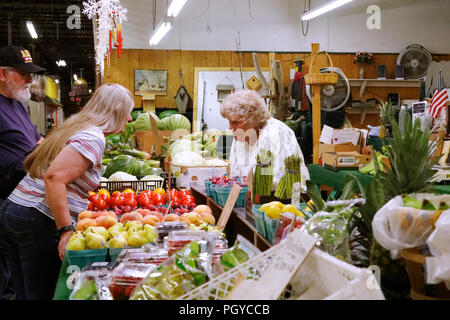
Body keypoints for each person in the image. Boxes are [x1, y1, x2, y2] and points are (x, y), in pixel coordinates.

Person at [0, 83, 134, 300]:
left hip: (16, 211)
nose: (129, 119)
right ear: (116, 111)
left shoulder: (75, 127)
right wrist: (65, 229)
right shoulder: (93, 136)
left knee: (24, 293)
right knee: (41, 293)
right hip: (36, 219)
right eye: (128, 112)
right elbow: (54, 178)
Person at [0, 45, 46, 300]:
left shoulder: (17, 104)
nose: (31, 79)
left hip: (22, 202)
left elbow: (38, 141)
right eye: (23, 73)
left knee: (17, 283)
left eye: (32, 74)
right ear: (2, 74)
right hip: (4, 202)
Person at [220, 89, 310, 192]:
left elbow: (276, 181)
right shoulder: (242, 135)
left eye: (235, 122)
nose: (230, 127)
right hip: (250, 197)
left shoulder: (275, 133)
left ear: (252, 119)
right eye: (229, 121)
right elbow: (235, 174)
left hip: (285, 199)